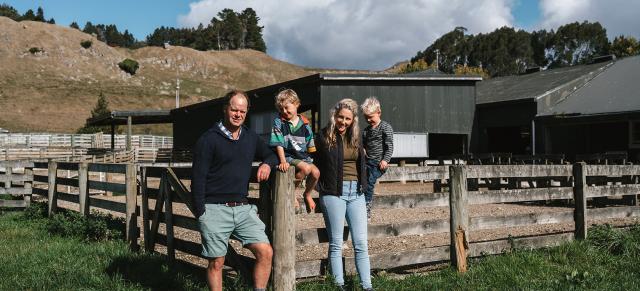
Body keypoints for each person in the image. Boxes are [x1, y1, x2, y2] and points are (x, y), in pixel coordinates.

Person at [192, 90, 277, 291]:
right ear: (225, 109)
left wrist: (267, 164)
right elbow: (197, 180)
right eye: (234, 109)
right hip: (214, 209)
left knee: (265, 252)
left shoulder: (250, 137)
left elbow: (271, 155)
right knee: (217, 263)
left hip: (243, 209)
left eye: (242, 111)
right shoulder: (208, 139)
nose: (238, 114)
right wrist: (201, 213)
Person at [314, 98, 374, 291]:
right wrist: (312, 190)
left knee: (361, 243)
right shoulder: (323, 137)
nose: (343, 122)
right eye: (341, 117)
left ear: (353, 120)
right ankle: (339, 285)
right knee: (336, 243)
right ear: (334, 115)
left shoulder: (356, 137)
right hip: (333, 194)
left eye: (348, 119)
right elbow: (313, 163)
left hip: (356, 193)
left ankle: (367, 286)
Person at [269, 89, 320, 213]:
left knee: (316, 173)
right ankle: (293, 193)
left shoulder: (305, 123)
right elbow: (279, 144)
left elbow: (310, 143)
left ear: (296, 104)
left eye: (287, 108)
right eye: (281, 109)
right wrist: (282, 161)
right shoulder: (279, 122)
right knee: (306, 169)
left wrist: (312, 158)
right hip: (288, 156)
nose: (284, 112)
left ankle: (307, 194)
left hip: (303, 156)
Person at [361, 97, 394, 219]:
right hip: (367, 161)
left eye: (371, 117)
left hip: (379, 163)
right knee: (361, 181)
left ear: (379, 113)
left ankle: (367, 208)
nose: (369, 120)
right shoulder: (366, 131)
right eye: (366, 117)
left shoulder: (385, 127)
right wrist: (363, 149)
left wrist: (385, 160)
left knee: (369, 182)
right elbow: (363, 144)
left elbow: (389, 145)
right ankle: (360, 204)